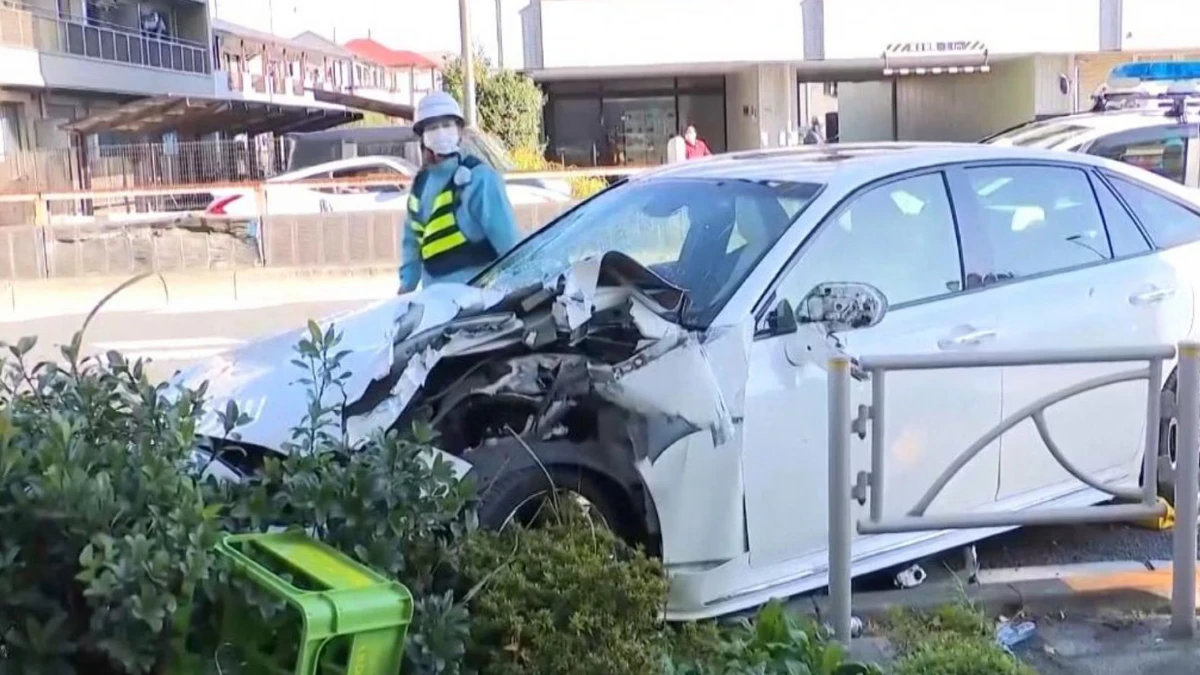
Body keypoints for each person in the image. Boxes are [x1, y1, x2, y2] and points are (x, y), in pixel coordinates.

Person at [399, 91, 521, 294]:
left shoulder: (480, 178)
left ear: (460, 131)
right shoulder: (421, 185)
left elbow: (507, 241)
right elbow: (412, 241)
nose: (440, 133)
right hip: (436, 300)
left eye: (447, 125)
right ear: (423, 137)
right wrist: (405, 289)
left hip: (479, 297)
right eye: (432, 127)